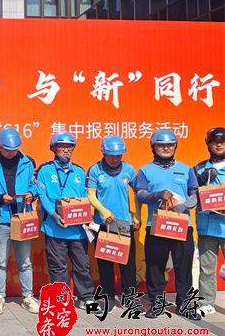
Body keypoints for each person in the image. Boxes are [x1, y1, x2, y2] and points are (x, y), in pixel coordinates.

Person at [135, 128, 201, 320]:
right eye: (161, 145)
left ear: (175, 146)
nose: (166, 148)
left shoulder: (186, 169)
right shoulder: (145, 170)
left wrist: (183, 206)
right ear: (153, 147)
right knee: (155, 266)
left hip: (182, 225)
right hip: (156, 225)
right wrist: (157, 194)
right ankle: (156, 303)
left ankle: (184, 305)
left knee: (183, 266)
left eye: (170, 145)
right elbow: (140, 194)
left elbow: (194, 194)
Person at [35, 132, 101, 312]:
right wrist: (54, 215)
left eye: (69, 147)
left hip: (77, 230)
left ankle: (86, 298)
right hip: (54, 228)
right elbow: (42, 195)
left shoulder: (79, 171)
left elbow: (84, 197)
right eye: (61, 146)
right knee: (58, 266)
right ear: (53, 148)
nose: (66, 150)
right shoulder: (45, 170)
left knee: (82, 265)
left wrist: (85, 216)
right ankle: (62, 299)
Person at [0, 127, 39, 314]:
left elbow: (35, 185)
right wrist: (0, 196)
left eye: (14, 150)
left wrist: (31, 193)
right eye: (7, 150)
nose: (11, 153)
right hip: (3, 218)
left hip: (22, 217)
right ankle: (0, 297)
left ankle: (27, 296)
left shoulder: (28, 162)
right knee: (0, 260)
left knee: (25, 261)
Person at [87, 136, 137, 312]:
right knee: (105, 263)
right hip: (104, 224)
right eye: (111, 156)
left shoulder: (128, 170)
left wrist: (136, 215)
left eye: (119, 155)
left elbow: (138, 192)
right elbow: (90, 195)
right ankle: (108, 296)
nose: (115, 159)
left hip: (123, 223)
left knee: (128, 265)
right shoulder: (95, 170)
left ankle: (129, 298)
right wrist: (103, 211)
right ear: (104, 153)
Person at [194, 127, 225, 316]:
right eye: (215, 142)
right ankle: (206, 302)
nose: (219, 145)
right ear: (208, 144)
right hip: (207, 226)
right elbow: (191, 194)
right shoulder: (199, 169)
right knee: (206, 267)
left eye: (222, 142)